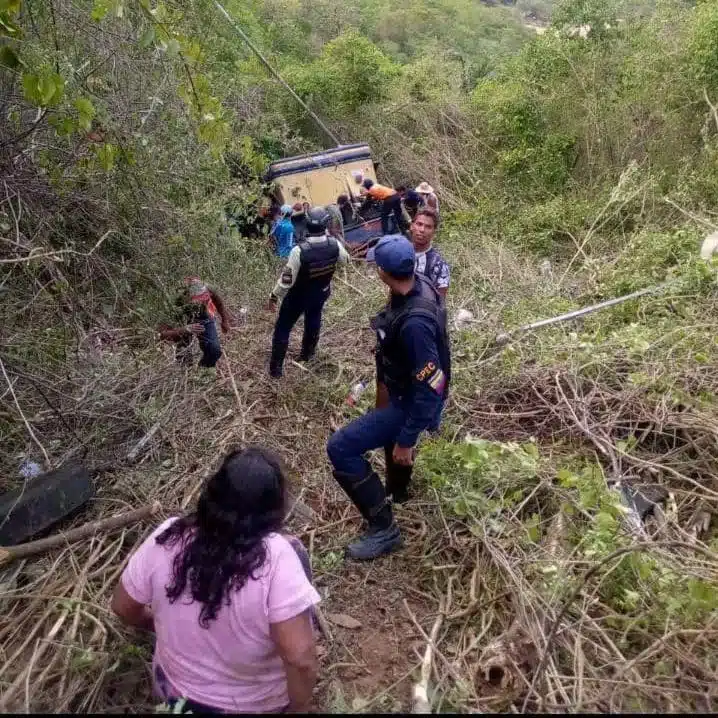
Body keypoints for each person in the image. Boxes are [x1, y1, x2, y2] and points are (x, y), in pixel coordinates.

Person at [111, 446, 321, 714]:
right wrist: (299, 709)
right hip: (251, 708)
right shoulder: (279, 556)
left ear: (212, 494)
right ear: (274, 508)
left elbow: (122, 606)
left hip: (174, 699)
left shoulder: (168, 535)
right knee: (296, 551)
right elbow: (300, 658)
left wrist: (157, 624)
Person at [327, 235, 451, 560]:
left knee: (340, 447)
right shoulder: (417, 282)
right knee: (389, 437)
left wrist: (408, 437)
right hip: (401, 390)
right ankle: (397, 493)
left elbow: (432, 382)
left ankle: (384, 529)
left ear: (383, 271)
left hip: (411, 402)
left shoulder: (415, 325)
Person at [266, 206, 351, 378]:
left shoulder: (299, 251)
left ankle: (276, 370)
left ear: (306, 224)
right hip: (320, 294)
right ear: (325, 224)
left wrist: (274, 296)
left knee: (283, 328)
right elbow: (346, 261)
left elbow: (286, 281)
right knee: (313, 321)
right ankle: (307, 355)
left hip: (297, 298)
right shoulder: (335, 245)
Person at [157, 277, 230, 369]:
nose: (200, 303)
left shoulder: (207, 288)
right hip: (182, 321)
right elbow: (161, 334)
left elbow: (218, 302)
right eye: (197, 301)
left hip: (203, 315)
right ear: (186, 297)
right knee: (184, 356)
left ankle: (203, 371)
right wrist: (184, 330)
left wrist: (224, 320)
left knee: (214, 350)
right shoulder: (173, 303)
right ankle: (187, 375)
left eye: (203, 300)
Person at [410, 208, 450, 298]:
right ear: (411, 226)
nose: (422, 230)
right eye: (419, 224)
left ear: (434, 232)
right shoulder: (399, 254)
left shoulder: (439, 265)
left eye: (428, 227)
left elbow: (440, 302)